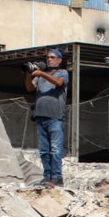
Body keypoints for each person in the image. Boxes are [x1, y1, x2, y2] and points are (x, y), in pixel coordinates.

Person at [25, 48, 70, 186]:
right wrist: (29, 73)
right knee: (44, 150)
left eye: (52, 57)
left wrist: (41, 73)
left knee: (55, 149)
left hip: (55, 117)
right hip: (40, 117)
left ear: (59, 60)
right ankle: (48, 176)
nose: (49, 59)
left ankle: (57, 177)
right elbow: (29, 88)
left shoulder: (62, 73)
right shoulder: (39, 76)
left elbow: (58, 83)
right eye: (47, 57)